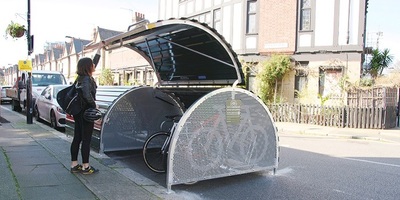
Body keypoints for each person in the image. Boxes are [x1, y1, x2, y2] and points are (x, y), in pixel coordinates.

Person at [70, 57, 98, 174]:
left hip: (78, 111)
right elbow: (87, 95)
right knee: (86, 139)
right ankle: (86, 167)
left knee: (77, 137)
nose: (94, 66)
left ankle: (74, 164)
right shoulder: (86, 79)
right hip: (86, 112)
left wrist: (99, 48)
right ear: (88, 67)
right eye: (92, 64)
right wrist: (94, 105)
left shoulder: (79, 78)